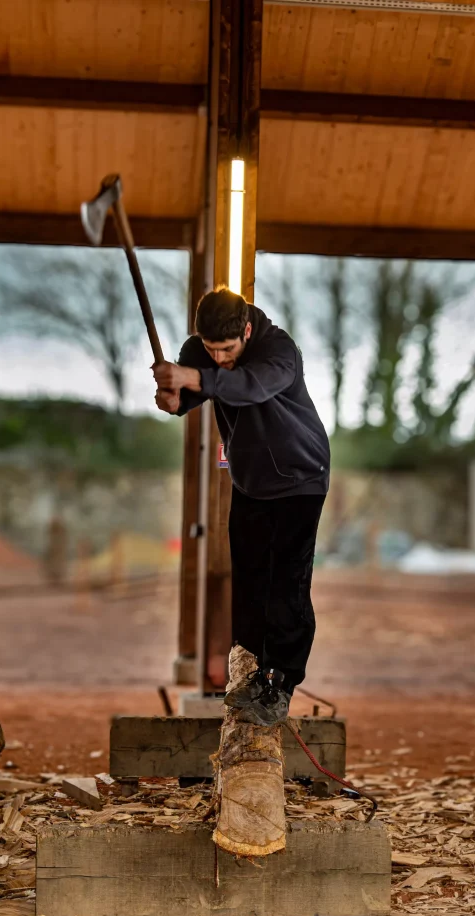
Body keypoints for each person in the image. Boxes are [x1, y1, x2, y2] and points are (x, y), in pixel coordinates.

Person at [153, 286, 330, 726]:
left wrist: (192, 378)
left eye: (228, 349)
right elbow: (190, 395)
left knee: (286, 585)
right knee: (249, 582)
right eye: (211, 350)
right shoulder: (201, 351)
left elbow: (249, 387)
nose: (219, 358)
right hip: (251, 480)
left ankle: (281, 684)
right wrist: (173, 398)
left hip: (300, 476)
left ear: (247, 331)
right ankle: (249, 674)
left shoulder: (278, 349)